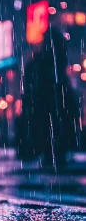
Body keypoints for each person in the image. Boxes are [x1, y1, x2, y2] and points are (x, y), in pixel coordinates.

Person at [19, 28, 79, 168]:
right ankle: (54, 158)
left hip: (46, 107)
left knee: (48, 133)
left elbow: (31, 88)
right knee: (54, 133)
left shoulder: (39, 63)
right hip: (53, 106)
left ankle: (51, 158)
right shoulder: (55, 62)